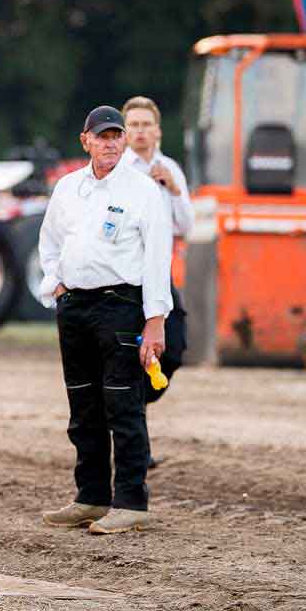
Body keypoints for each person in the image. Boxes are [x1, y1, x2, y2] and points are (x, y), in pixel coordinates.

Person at [38, 106, 173, 535]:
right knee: (83, 406)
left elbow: (157, 257)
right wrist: (55, 286)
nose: (112, 142)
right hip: (75, 307)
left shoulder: (142, 191)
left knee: (122, 403)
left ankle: (131, 500)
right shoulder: (67, 188)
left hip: (120, 304)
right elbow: (50, 243)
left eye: (117, 135)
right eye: (103, 136)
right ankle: (91, 496)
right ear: (86, 141)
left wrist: (156, 318)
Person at [121, 97, 191, 467]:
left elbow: (187, 227)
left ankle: (126, 407)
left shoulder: (170, 169)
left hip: (160, 275)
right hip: (127, 274)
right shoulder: (119, 171)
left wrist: (172, 190)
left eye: (146, 124)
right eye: (133, 125)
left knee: (174, 347)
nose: (140, 131)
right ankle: (136, 447)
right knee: (133, 357)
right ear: (125, 130)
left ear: (158, 131)